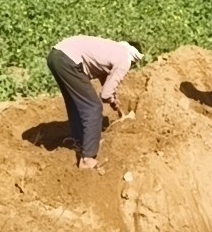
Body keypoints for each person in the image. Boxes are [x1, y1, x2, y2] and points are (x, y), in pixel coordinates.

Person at [46, 37, 142, 169]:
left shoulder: (113, 50)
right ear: (134, 59)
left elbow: (106, 81)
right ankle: (87, 159)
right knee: (93, 107)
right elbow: (105, 95)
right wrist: (110, 98)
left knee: (75, 103)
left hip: (56, 56)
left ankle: (80, 142)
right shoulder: (125, 59)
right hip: (69, 60)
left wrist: (113, 99)